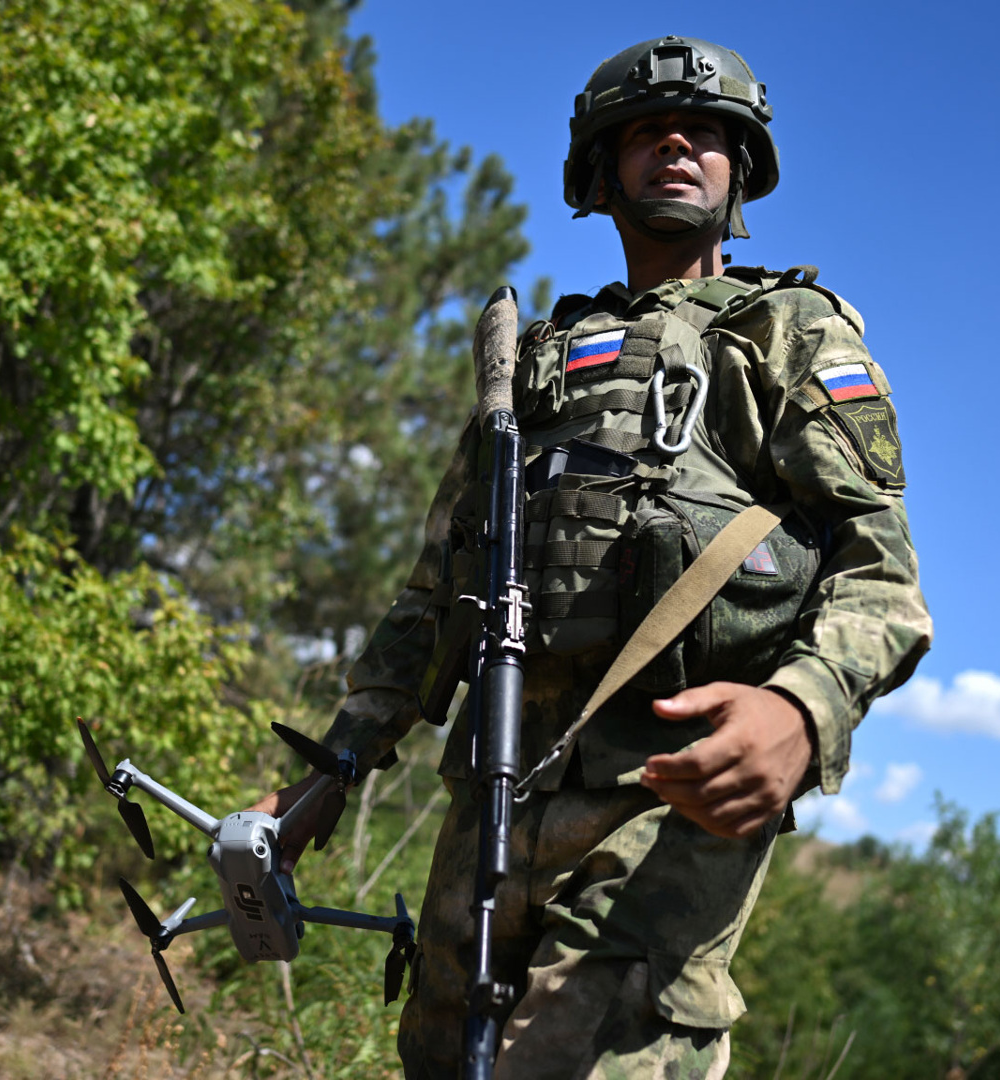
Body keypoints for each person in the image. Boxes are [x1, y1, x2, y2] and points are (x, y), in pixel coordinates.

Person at [249, 35, 931, 1079]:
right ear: (599, 170)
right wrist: (332, 772)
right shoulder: (535, 365)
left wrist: (802, 708)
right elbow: (434, 596)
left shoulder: (785, 332)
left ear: (739, 169)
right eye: (644, 131)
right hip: (496, 787)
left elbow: (882, 576)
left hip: (667, 795)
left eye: (706, 131)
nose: (675, 143)